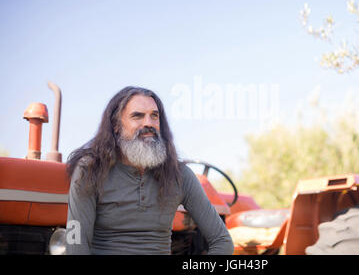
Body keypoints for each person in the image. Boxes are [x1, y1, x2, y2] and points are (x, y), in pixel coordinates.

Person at [65, 86, 234, 255]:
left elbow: (222, 241)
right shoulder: (90, 170)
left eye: (154, 116)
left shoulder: (180, 175)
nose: (148, 123)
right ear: (116, 125)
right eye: (137, 116)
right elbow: (76, 247)